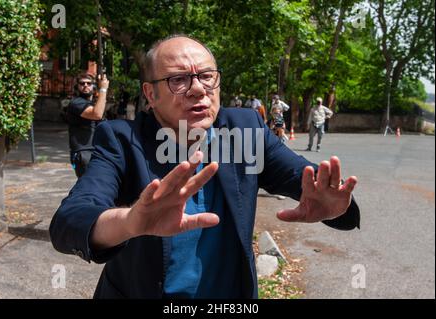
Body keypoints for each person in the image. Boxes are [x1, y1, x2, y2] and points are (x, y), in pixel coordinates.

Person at [50, 35, 359, 299]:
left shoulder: (246, 129)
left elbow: (305, 180)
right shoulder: (121, 139)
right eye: (178, 79)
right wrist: (129, 222)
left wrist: (333, 204)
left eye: (207, 76)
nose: (198, 89)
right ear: (150, 94)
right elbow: (70, 220)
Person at [66, 73, 109, 177]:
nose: (85, 85)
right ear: (77, 86)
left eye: (89, 83)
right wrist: (103, 89)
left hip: (96, 151)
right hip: (84, 153)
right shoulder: (76, 103)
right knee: (89, 187)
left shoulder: (92, 104)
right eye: (82, 83)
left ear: (93, 86)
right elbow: (96, 114)